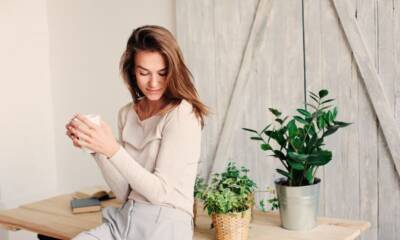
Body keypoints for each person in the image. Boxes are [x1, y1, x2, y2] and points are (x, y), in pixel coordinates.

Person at [65, 25, 208, 240]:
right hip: (122, 222)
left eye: (162, 73)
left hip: (164, 227)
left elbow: (158, 192)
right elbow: (124, 192)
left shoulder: (182, 114)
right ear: (132, 70)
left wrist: (112, 149)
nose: (153, 83)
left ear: (173, 70)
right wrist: (96, 148)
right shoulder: (127, 114)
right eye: (144, 73)